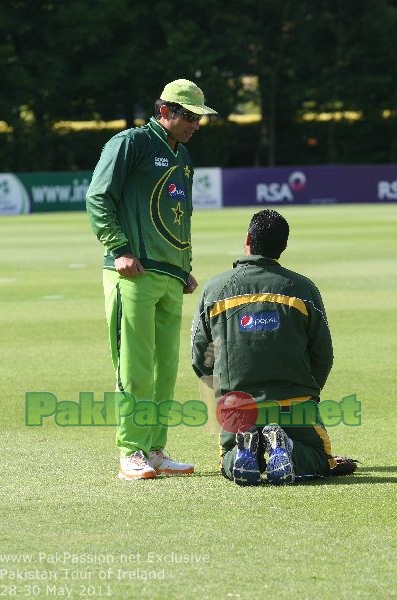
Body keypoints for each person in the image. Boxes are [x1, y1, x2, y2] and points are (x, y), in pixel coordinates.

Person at [86, 79, 218, 480]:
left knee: (164, 370)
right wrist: (120, 248)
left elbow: (181, 216)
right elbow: (98, 196)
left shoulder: (184, 156)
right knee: (136, 367)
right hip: (133, 271)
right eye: (189, 116)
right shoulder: (130, 143)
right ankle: (130, 450)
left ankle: (155, 450)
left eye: (200, 117)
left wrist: (184, 264)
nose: (196, 123)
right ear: (165, 111)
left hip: (169, 276)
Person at [191, 209, 357, 486]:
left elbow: (199, 357)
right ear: (284, 247)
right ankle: (287, 448)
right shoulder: (303, 289)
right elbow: (323, 355)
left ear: (248, 239)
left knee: (230, 460)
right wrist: (307, 391)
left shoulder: (214, 289)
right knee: (319, 458)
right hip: (295, 406)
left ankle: (246, 449)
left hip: (238, 409)